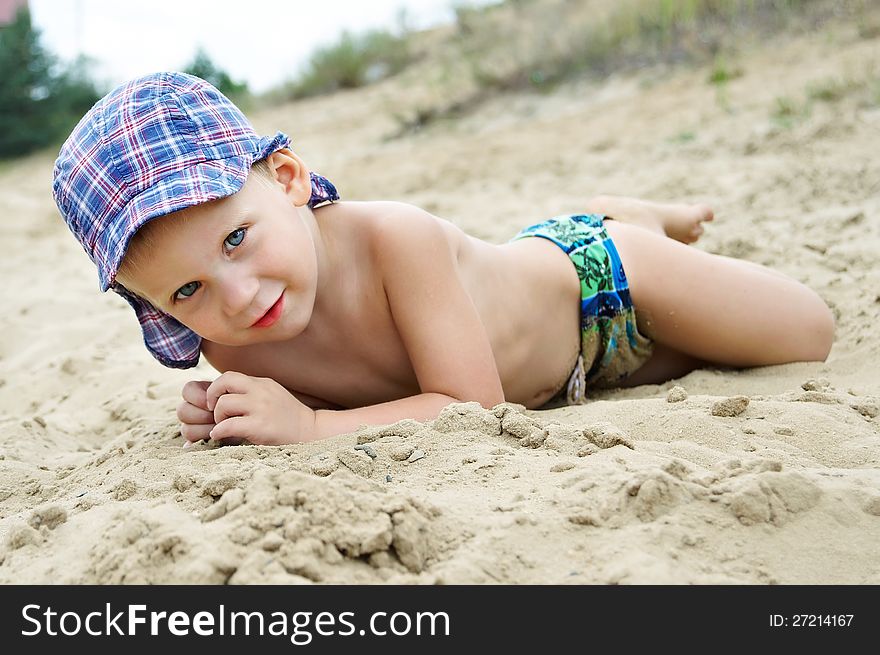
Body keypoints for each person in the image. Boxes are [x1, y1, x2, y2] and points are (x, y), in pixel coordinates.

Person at [52, 72, 835, 447]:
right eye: (186, 290)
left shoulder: (397, 239)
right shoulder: (230, 339)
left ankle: (624, 218)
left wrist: (313, 426)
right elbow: (303, 394)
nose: (237, 293)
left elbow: (473, 406)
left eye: (236, 239)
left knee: (806, 333)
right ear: (151, 304)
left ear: (286, 179)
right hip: (576, 383)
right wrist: (225, 409)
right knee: (697, 357)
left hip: (602, 285)